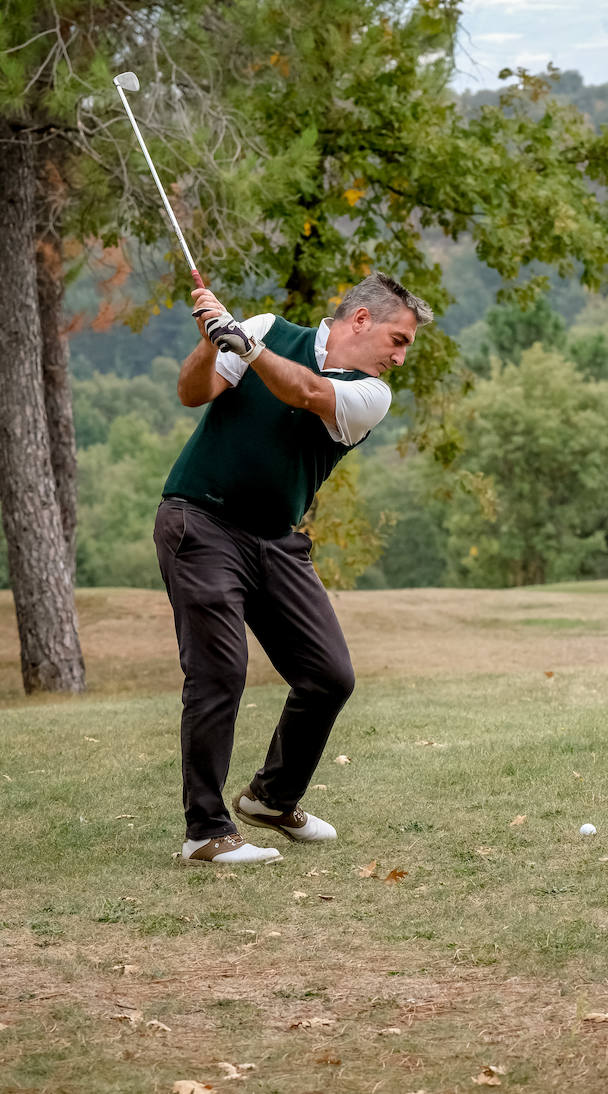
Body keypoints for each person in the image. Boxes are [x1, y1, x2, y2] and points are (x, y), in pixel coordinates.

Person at [154, 271, 433, 866]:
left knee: (329, 676)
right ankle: (205, 831)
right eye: (399, 339)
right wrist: (211, 340)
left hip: (276, 540)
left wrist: (247, 350)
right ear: (361, 320)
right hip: (199, 521)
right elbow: (191, 392)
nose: (402, 357)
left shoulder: (370, 396)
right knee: (219, 673)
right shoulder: (264, 329)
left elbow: (305, 392)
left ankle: (271, 799)